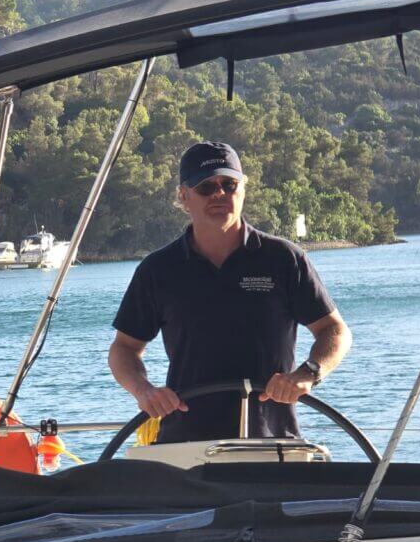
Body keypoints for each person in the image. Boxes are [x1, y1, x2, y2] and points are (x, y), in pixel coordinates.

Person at [108, 141, 352, 443]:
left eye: (229, 184)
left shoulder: (284, 259)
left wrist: (309, 372)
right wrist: (144, 391)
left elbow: (334, 330)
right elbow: (124, 348)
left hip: (273, 440)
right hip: (184, 444)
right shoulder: (158, 270)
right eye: (206, 186)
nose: (219, 194)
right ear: (184, 196)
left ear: (243, 189)